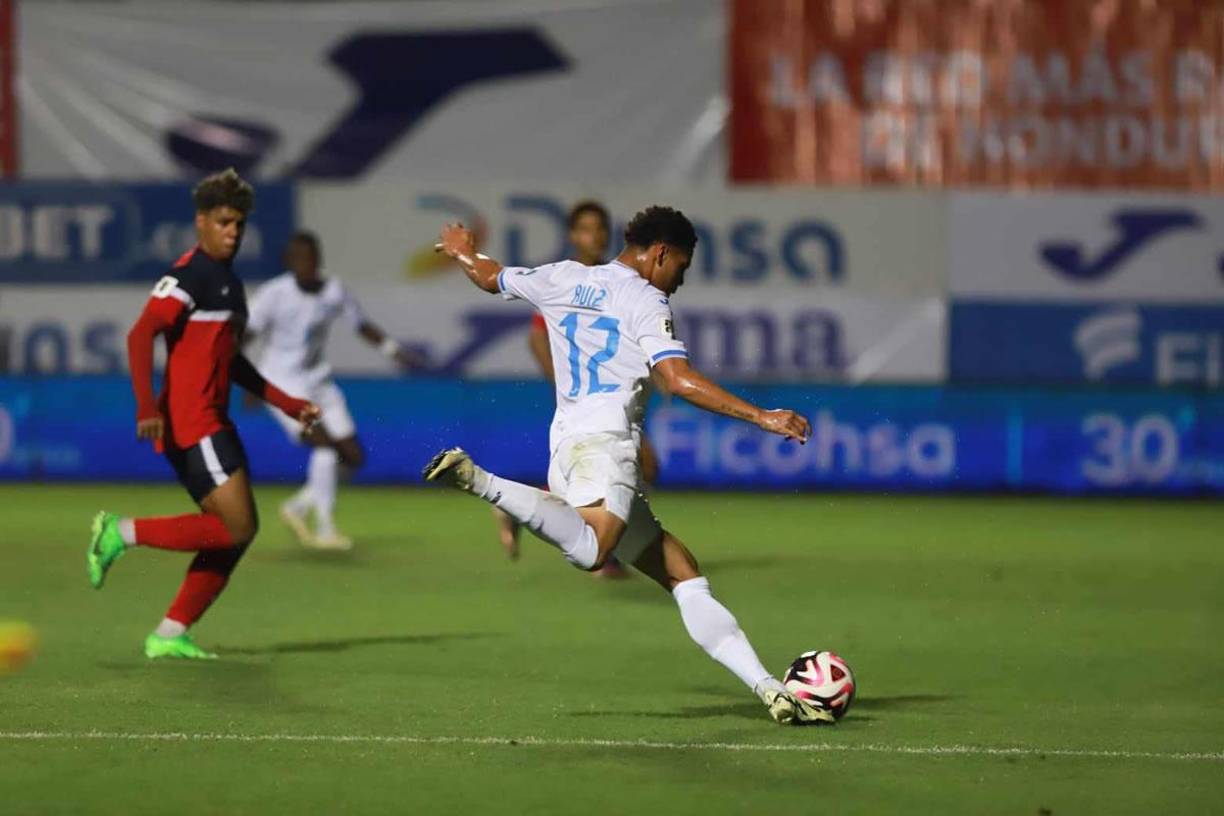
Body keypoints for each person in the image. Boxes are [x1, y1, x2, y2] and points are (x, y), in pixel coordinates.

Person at [425, 206, 827, 724]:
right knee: (594, 551)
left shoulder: (563, 276)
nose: (679, 281)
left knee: (682, 573)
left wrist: (461, 250)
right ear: (660, 253)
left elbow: (490, 276)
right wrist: (761, 416)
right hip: (607, 447)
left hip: (566, 450)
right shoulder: (644, 298)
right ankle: (483, 482)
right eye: (680, 267)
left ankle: (770, 688)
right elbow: (677, 380)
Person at [87, 168, 319, 660]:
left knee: (234, 533)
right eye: (224, 222)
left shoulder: (230, 287)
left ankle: (170, 633)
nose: (233, 231)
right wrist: (146, 404)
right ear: (201, 222)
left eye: (238, 224)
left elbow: (229, 361)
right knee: (235, 528)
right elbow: (139, 334)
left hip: (213, 423)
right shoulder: (188, 277)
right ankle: (120, 532)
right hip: (193, 425)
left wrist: (290, 403)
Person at [494, 200, 657, 578]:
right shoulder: (565, 276)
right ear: (571, 234)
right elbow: (536, 336)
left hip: (610, 394)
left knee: (623, 471)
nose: (595, 236)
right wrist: (564, 381)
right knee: (637, 465)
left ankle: (519, 507)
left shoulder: (613, 277)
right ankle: (610, 549)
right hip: (588, 401)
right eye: (585, 228)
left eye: (600, 228)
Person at [246, 231, 418, 551]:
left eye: (312, 258)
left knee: (353, 457)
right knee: (324, 450)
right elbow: (243, 336)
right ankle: (324, 529)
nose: (307, 265)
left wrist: (394, 351)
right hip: (281, 384)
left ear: (319, 260)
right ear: (288, 262)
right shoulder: (273, 294)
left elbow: (361, 325)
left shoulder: (334, 290)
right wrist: (248, 382)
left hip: (318, 381)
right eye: (300, 259)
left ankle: (297, 507)